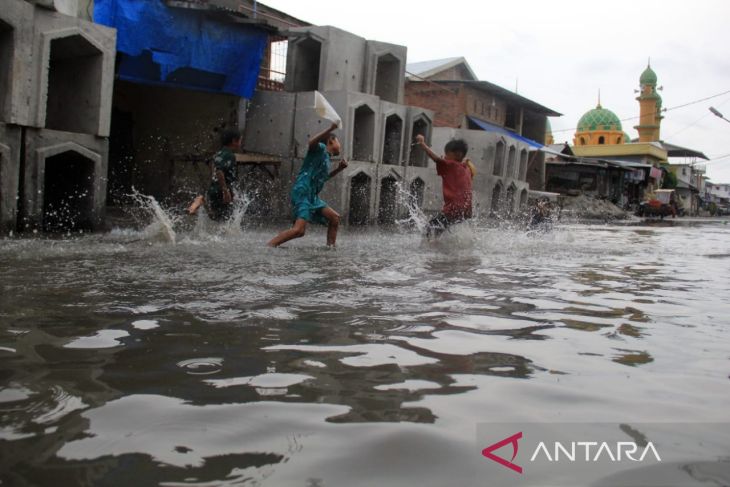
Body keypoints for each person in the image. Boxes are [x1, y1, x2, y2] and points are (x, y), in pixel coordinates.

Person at [268, 122, 348, 247]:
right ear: (331, 141)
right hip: (303, 192)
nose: (340, 145)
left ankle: (330, 249)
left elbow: (322, 179)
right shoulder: (320, 148)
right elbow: (311, 142)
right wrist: (330, 128)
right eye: (338, 141)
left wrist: (339, 169)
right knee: (299, 230)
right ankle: (269, 246)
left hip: (312, 196)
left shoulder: (326, 158)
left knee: (334, 218)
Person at [415, 134, 473, 238]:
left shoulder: (452, 165)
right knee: (439, 229)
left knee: (428, 230)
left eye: (447, 154)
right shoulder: (466, 168)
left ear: (458, 154)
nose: (445, 157)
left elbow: (436, 159)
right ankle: (443, 248)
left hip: (453, 209)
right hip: (466, 211)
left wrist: (423, 145)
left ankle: (432, 249)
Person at [187, 129, 242, 220]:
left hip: (214, 188)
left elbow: (212, 166)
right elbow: (219, 171)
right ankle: (201, 200)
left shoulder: (219, 153)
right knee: (223, 219)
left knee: (215, 217)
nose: (241, 143)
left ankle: (201, 201)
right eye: (240, 140)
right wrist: (225, 190)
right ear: (234, 141)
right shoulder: (229, 155)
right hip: (221, 190)